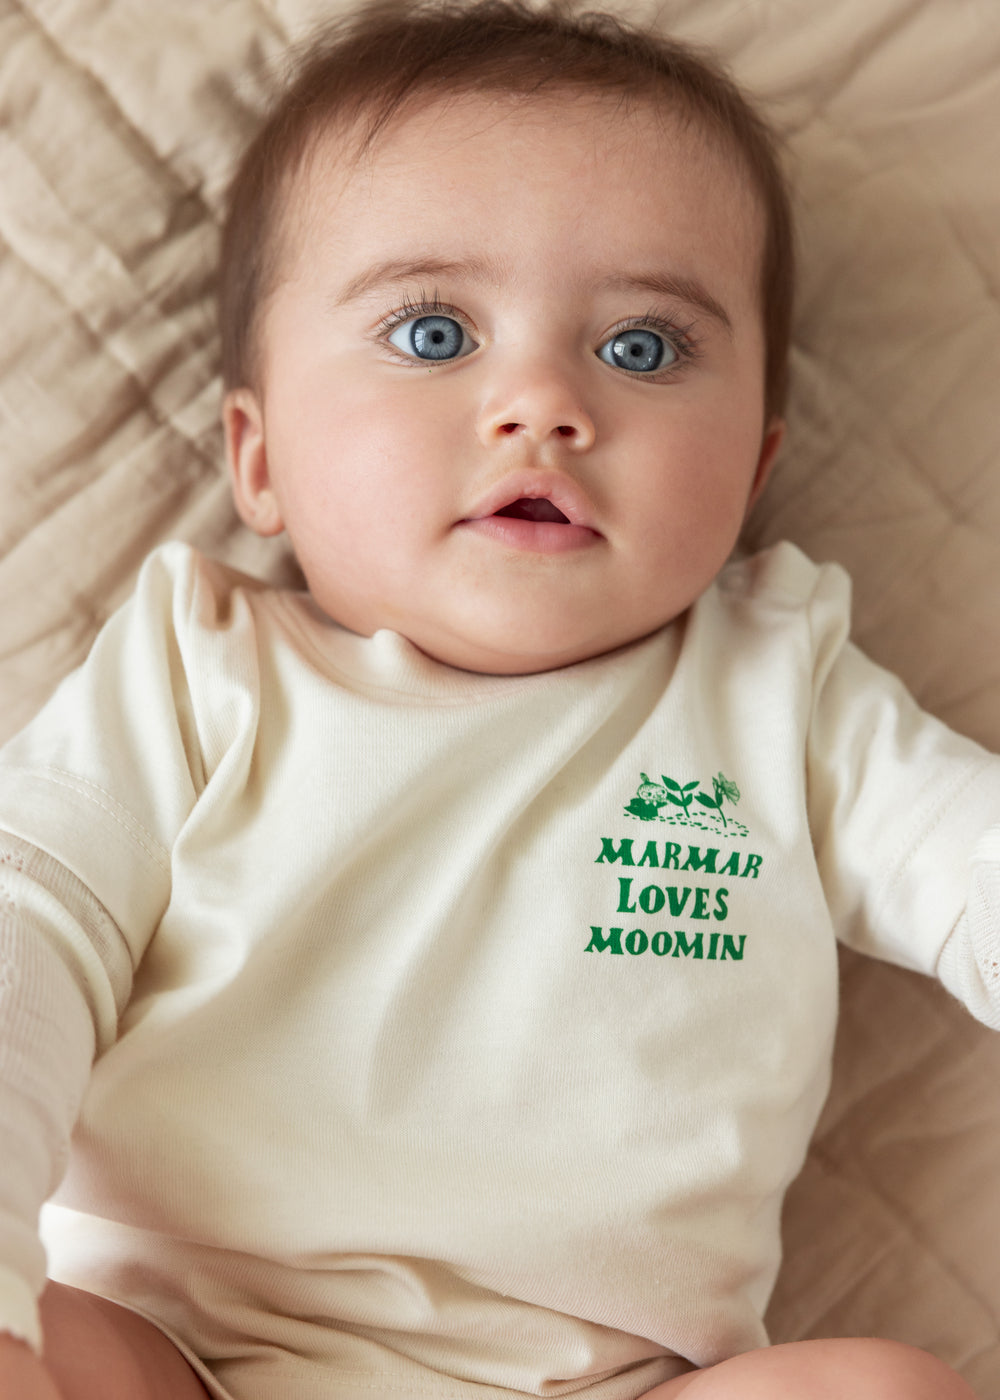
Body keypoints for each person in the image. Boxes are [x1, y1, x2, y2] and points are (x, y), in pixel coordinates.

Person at [0, 2, 995, 1397]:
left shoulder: (780, 687)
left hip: (620, 1384)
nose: (540, 403)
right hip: (189, 1356)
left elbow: (971, 865)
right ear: (259, 457)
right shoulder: (195, 666)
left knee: (887, 1389)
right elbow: (28, 932)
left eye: (642, 348)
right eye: (431, 332)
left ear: (755, 466)